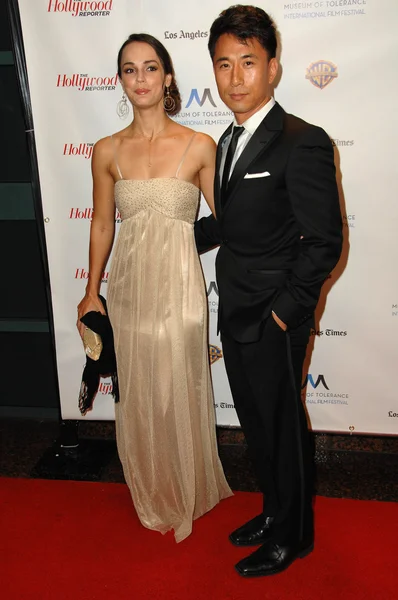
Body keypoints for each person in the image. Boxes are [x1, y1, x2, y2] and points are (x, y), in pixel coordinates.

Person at [195, 5, 343, 576]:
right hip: (234, 307)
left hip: (274, 315)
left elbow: (324, 243)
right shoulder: (226, 140)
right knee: (256, 424)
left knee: (282, 427)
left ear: (274, 68)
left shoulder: (301, 141)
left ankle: (294, 537)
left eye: (248, 63)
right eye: (224, 64)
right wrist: (169, 240)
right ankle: (274, 510)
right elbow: (229, 223)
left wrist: (285, 314)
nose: (235, 78)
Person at [77, 33, 232, 543]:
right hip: (127, 285)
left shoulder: (198, 145)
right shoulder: (106, 150)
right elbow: (103, 224)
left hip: (183, 283)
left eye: (150, 68)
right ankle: (150, 485)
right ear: (120, 79)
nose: (140, 79)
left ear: (167, 77)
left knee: (178, 382)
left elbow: (228, 222)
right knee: (139, 387)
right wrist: (91, 290)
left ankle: (185, 485)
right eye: (129, 69)